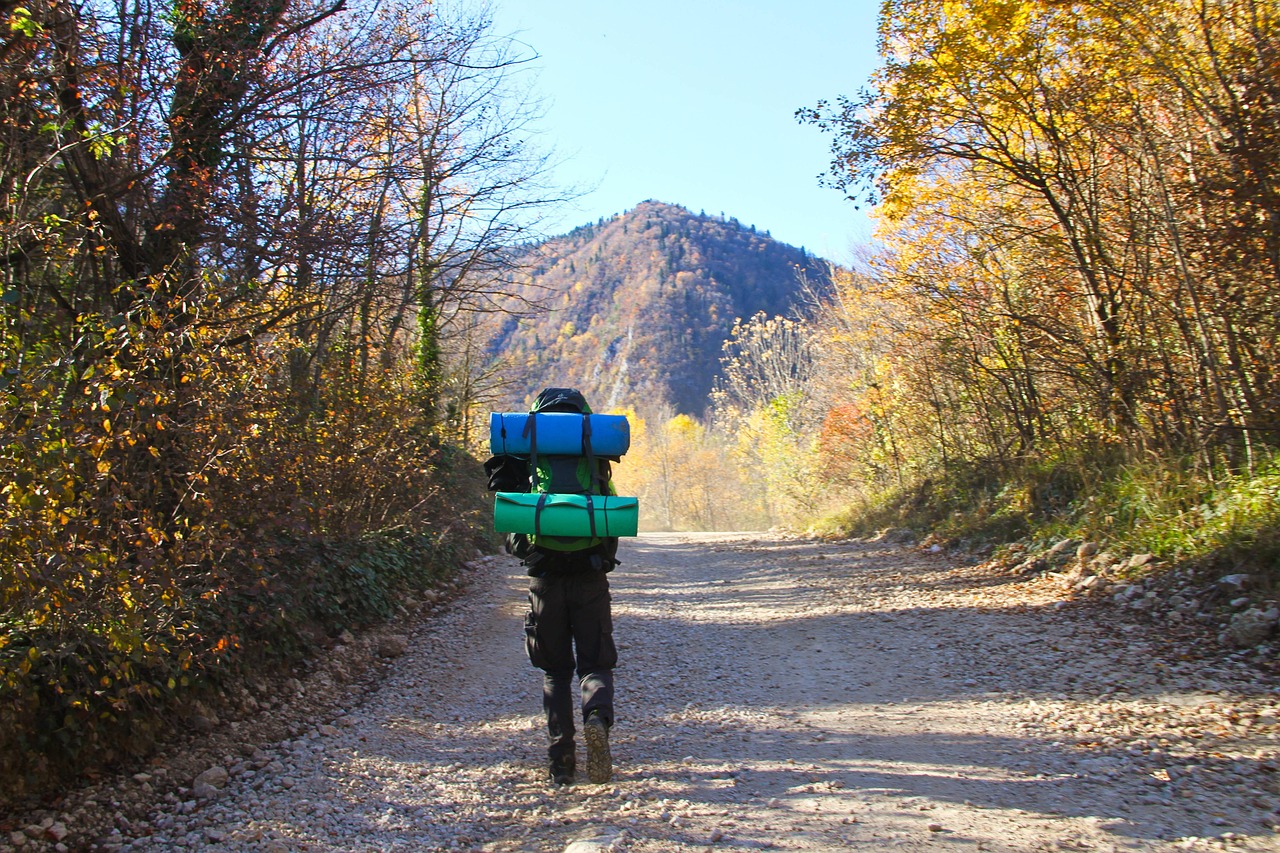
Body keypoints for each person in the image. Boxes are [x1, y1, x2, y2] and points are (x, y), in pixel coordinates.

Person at [484, 387, 620, 785]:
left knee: (556, 672)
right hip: (590, 575)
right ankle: (597, 718)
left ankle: (561, 762)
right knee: (594, 664)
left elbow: (510, 515)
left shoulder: (530, 455)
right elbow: (610, 514)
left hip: (544, 577)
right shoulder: (595, 454)